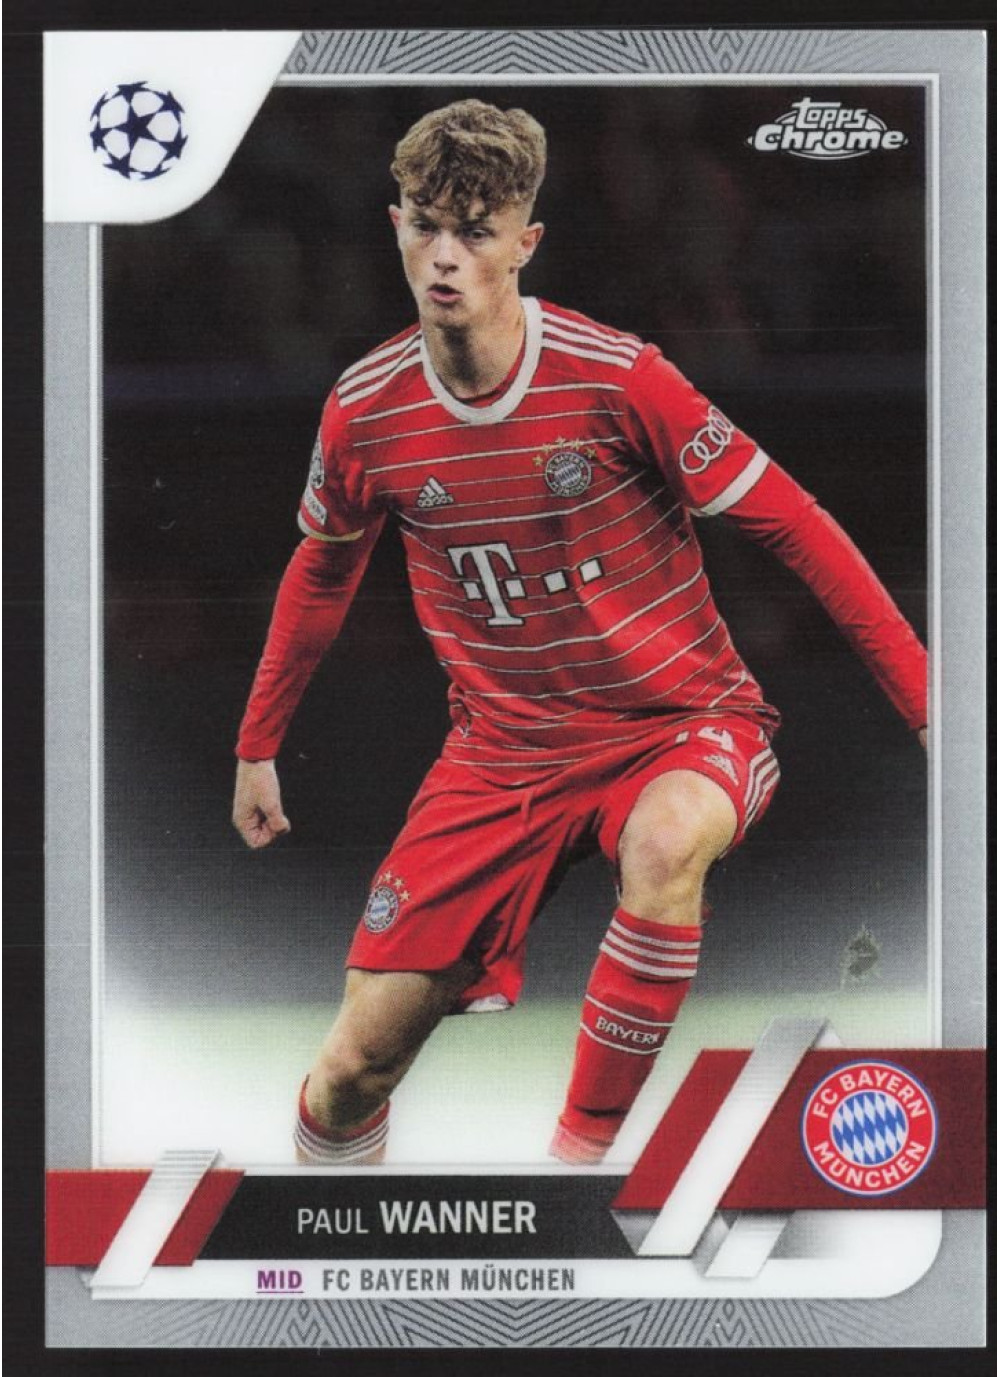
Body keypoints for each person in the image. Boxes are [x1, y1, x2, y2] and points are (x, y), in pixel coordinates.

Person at [232, 99, 927, 1168]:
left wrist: (932, 706)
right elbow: (321, 569)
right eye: (428, 226)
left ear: (526, 242)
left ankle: (580, 1167)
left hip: (678, 723)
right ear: (396, 227)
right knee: (348, 1073)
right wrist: (257, 744)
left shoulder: (618, 376)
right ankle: (345, 1246)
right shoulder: (364, 408)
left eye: (476, 231)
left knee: (665, 842)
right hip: (500, 757)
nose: (446, 256)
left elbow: (798, 527)